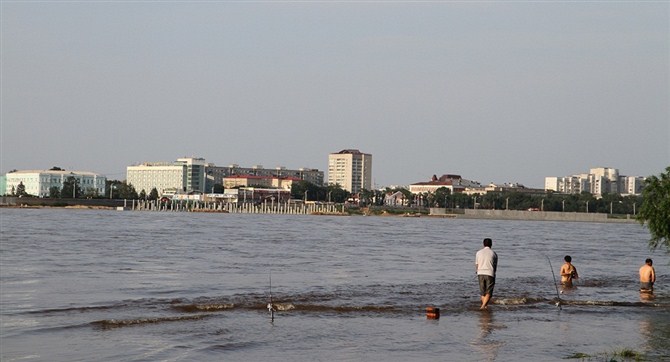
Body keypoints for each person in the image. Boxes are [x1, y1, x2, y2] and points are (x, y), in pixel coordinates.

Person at [475, 238, 498, 310]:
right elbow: (495, 266)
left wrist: (477, 271)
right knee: (489, 292)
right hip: (490, 273)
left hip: (480, 273)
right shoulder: (493, 253)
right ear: (491, 244)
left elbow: (477, 264)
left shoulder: (478, 252)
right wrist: (494, 273)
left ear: (483, 244)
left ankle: (485, 306)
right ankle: (482, 306)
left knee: (483, 292)